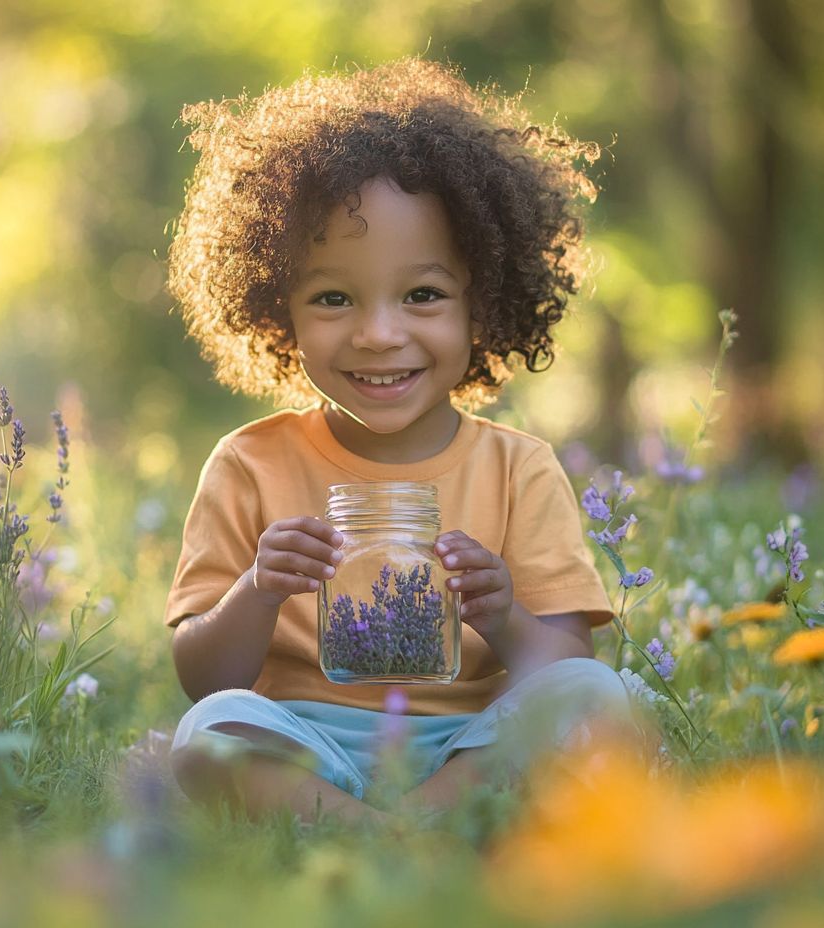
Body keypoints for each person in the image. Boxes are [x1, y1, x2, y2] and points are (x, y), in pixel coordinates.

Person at [161, 56, 637, 827]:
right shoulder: (249, 464)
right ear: (277, 309)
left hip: (472, 744)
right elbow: (202, 675)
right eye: (333, 297)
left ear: (482, 303)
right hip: (313, 746)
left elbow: (564, 663)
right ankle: (405, 833)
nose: (379, 334)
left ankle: (398, 828)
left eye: (422, 295)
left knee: (601, 698)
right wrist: (258, 587)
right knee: (205, 737)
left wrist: (506, 616)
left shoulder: (519, 468)